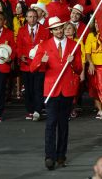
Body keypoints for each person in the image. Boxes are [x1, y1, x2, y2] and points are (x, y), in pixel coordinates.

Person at [30, 16, 82, 170]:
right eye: (56, 29)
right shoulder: (44, 45)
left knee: (63, 125)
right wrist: (43, 61)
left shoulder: (74, 45)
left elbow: (79, 69)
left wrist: (73, 61)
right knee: (51, 123)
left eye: (61, 28)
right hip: (51, 90)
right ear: (51, 31)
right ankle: (49, 157)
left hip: (67, 90)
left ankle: (61, 156)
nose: (59, 31)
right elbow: (33, 67)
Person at [17, 9, 50, 121]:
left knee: (38, 88)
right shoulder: (21, 30)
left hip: (39, 65)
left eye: (34, 16)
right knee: (28, 89)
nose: (32, 19)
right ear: (26, 18)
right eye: (30, 16)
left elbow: (47, 46)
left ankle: (37, 110)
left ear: (38, 17)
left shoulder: (45, 31)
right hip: (26, 65)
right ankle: (30, 110)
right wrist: (20, 55)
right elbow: (18, 46)